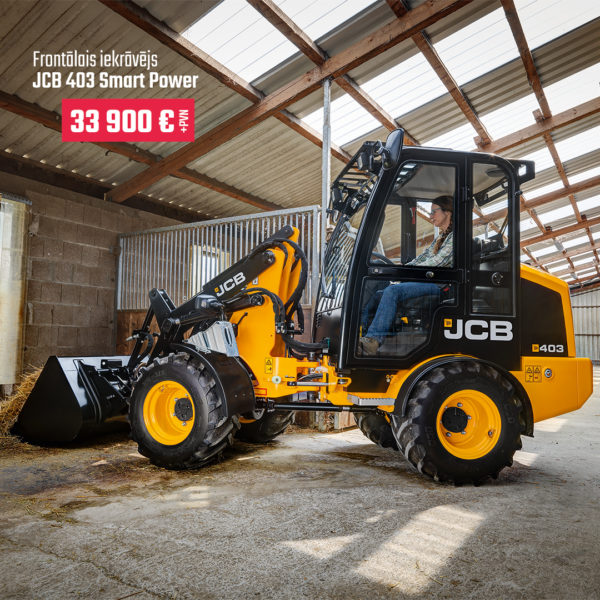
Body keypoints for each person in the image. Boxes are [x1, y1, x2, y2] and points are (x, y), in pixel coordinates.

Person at [359, 196, 454, 355]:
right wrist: (401, 269)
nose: (430, 216)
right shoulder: (440, 237)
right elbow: (422, 258)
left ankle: (374, 341)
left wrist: (405, 272)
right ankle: (362, 336)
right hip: (428, 280)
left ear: (447, 212)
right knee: (379, 294)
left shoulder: (455, 237)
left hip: (439, 285)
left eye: (434, 212)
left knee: (392, 291)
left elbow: (437, 262)